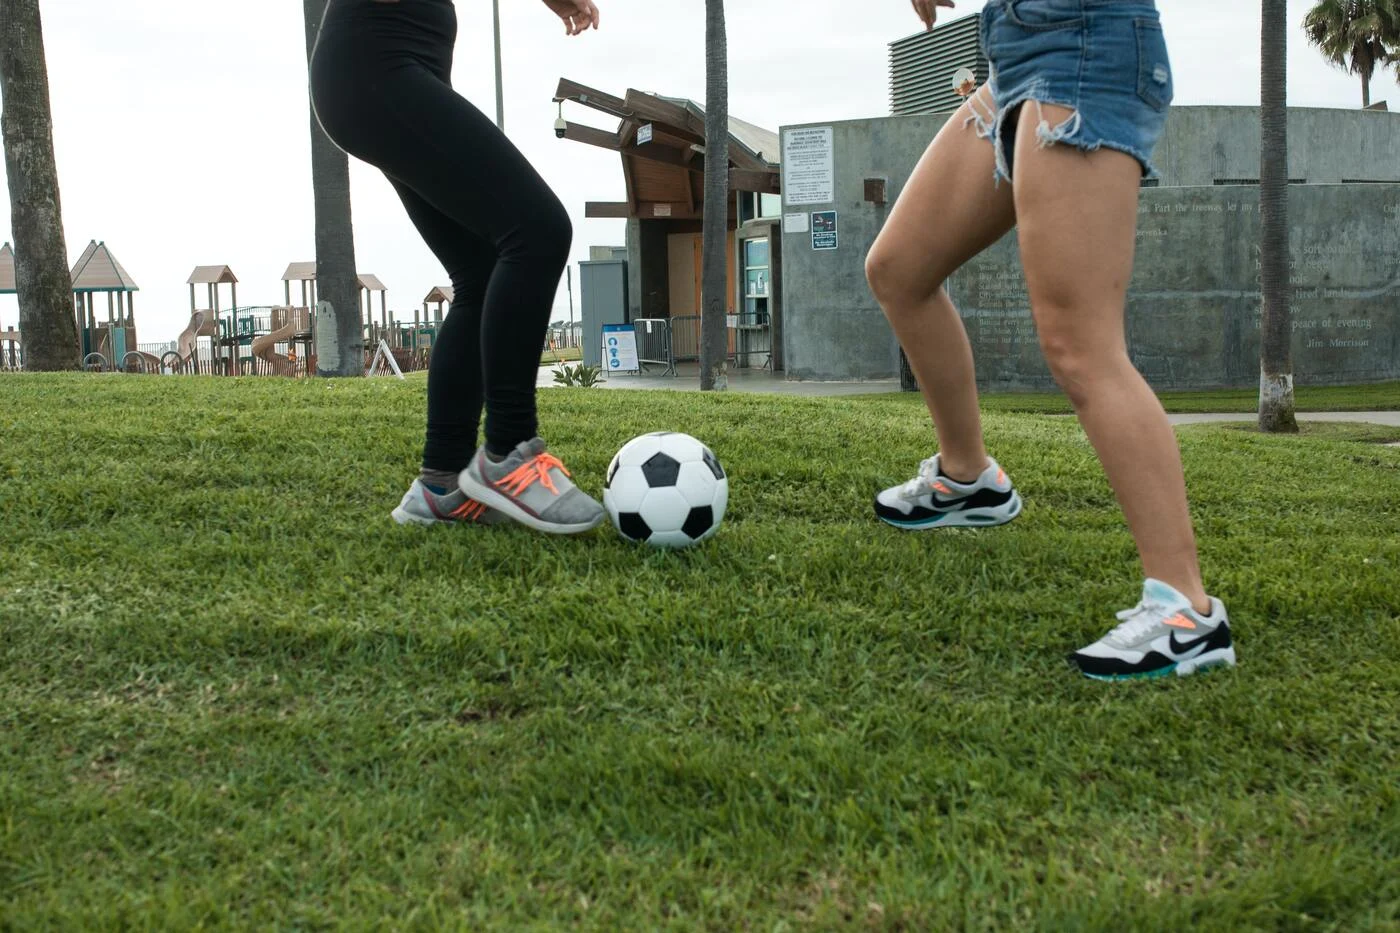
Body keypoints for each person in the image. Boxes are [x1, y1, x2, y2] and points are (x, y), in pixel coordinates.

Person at [868, 0, 1235, 679]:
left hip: (1085, 50)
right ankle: (969, 477)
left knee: (1079, 344)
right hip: (1016, 54)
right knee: (899, 269)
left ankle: (1187, 609)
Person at [309, 0, 606, 535]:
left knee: (483, 268)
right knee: (538, 230)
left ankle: (441, 485)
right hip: (376, 67)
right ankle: (509, 454)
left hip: (384, 72)